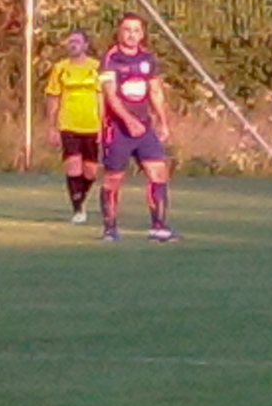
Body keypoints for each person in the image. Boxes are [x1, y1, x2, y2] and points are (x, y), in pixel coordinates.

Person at [98, 12, 178, 242]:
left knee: (158, 171)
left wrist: (163, 121)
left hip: (144, 127)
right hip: (117, 128)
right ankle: (110, 228)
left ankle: (158, 226)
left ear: (142, 34)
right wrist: (127, 120)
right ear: (119, 32)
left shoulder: (147, 59)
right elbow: (110, 95)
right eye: (127, 30)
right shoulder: (110, 59)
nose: (131, 34)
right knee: (114, 178)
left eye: (136, 30)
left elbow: (155, 91)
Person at [44, 29, 103, 224]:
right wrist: (52, 127)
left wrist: (104, 125)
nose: (73, 45)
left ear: (86, 45)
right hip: (69, 124)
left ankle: (81, 197)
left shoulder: (97, 67)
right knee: (73, 165)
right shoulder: (60, 68)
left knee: (90, 170)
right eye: (70, 42)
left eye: (77, 41)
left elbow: (103, 97)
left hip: (92, 125)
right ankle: (78, 209)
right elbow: (53, 97)